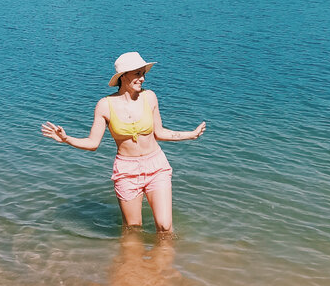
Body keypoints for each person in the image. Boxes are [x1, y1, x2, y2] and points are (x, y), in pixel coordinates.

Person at [41, 51, 206, 233]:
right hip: (127, 170)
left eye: (143, 73)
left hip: (157, 165)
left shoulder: (149, 97)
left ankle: (163, 261)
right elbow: (93, 143)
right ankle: (132, 262)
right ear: (123, 76)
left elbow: (159, 132)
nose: (142, 78)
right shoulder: (105, 105)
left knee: (165, 227)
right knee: (133, 228)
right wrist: (66, 139)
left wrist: (190, 134)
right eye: (137, 73)